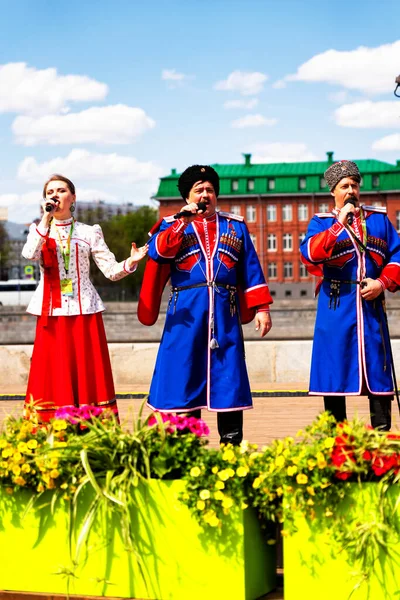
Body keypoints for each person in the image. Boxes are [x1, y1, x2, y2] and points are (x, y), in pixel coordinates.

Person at [138, 164, 273, 444]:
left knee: (230, 377)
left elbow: (251, 268)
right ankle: (188, 447)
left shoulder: (235, 226)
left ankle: (231, 447)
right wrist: (182, 222)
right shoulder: (170, 224)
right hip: (186, 314)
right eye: (198, 190)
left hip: (225, 313)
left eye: (210, 189)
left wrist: (262, 308)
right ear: (187, 197)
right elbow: (158, 251)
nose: (205, 194)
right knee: (183, 375)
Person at [22, 174, 148, 422]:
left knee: (87, 370)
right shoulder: (38, 230)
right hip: (51, 312)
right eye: (50, 192)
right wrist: (45, 219)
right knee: (52, 370)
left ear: (73, 197)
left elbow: (111, 271)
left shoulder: (89, 232)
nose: (55, 196)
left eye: (61, 190)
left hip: (84, 311)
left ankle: (89, 425)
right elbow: (29, 254)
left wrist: (131, 262)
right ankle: (53, 424)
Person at [300, 160, 400, 430]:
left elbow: (397, 255)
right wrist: (338, 225)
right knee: (334, 369)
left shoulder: (379, 220)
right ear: (333, 192)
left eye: (354, 185)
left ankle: (382, 436)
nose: (350, 190)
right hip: (336, 306)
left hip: (372, 308)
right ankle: (336, 439)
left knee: (379, 370)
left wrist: (382, 282)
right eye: (344, 186)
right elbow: (309, 254)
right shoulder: (321, 223)